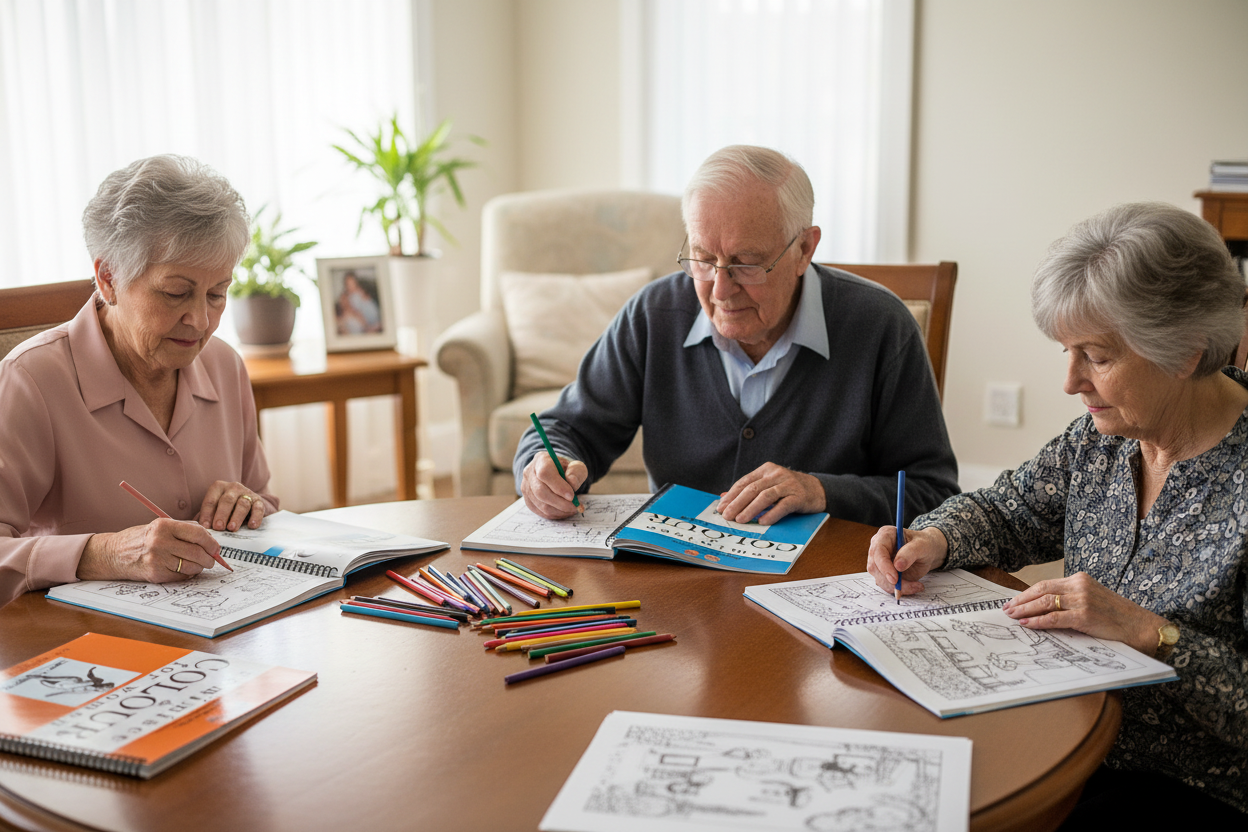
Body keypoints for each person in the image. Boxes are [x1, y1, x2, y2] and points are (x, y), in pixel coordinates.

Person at [866, 202, 1248, 822]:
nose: (1070, 382)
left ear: (1184, 352)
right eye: (1066, 351)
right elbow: (1007, 511)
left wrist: (1152, 633)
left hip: (1190, 785)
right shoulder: (1100, 439)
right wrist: (933, 536)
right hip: (1068, 733)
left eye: (1096, 356)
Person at [515, 145, 959, 526]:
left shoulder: (881, 325)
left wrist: (820, 492)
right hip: (678, 586)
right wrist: (545, 467)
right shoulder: (654, 315)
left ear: (805, 248)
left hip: (819, 587)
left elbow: (932, 493)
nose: (721, 290)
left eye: (747, 263)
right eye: (703, 259)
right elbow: (565, 428)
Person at [0, 155, 278, 610]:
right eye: (175, 293)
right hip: (80, 646)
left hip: (220, 636)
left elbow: (266, 504)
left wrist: (249, 505)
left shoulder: (225, 365)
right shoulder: (31, 380)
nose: (201, 320)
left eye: (217, 294)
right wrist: (103, 553)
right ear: (108, 278)